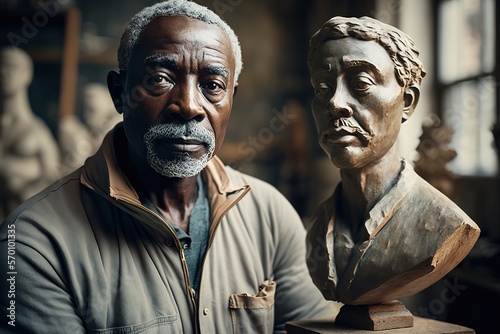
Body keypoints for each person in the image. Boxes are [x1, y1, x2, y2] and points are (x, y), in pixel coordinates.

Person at [0, 1, 336, 333]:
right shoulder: (32, 243)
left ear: (231, 96)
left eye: (213, 86)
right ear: (119, 93)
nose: (189, 106)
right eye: (160, 79)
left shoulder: (269, 214)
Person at [305, 16, 480, 306]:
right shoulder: (318, 229)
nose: (335, 103)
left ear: (408, 102)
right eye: (322, 89)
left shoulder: (444, 223)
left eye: (361, 83)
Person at [0, 47, 60, 222]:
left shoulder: (37, 131)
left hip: (18, 229)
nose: (4, 72)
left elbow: (54, 184)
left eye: (12, 66)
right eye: (1, 66)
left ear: (27, 74)